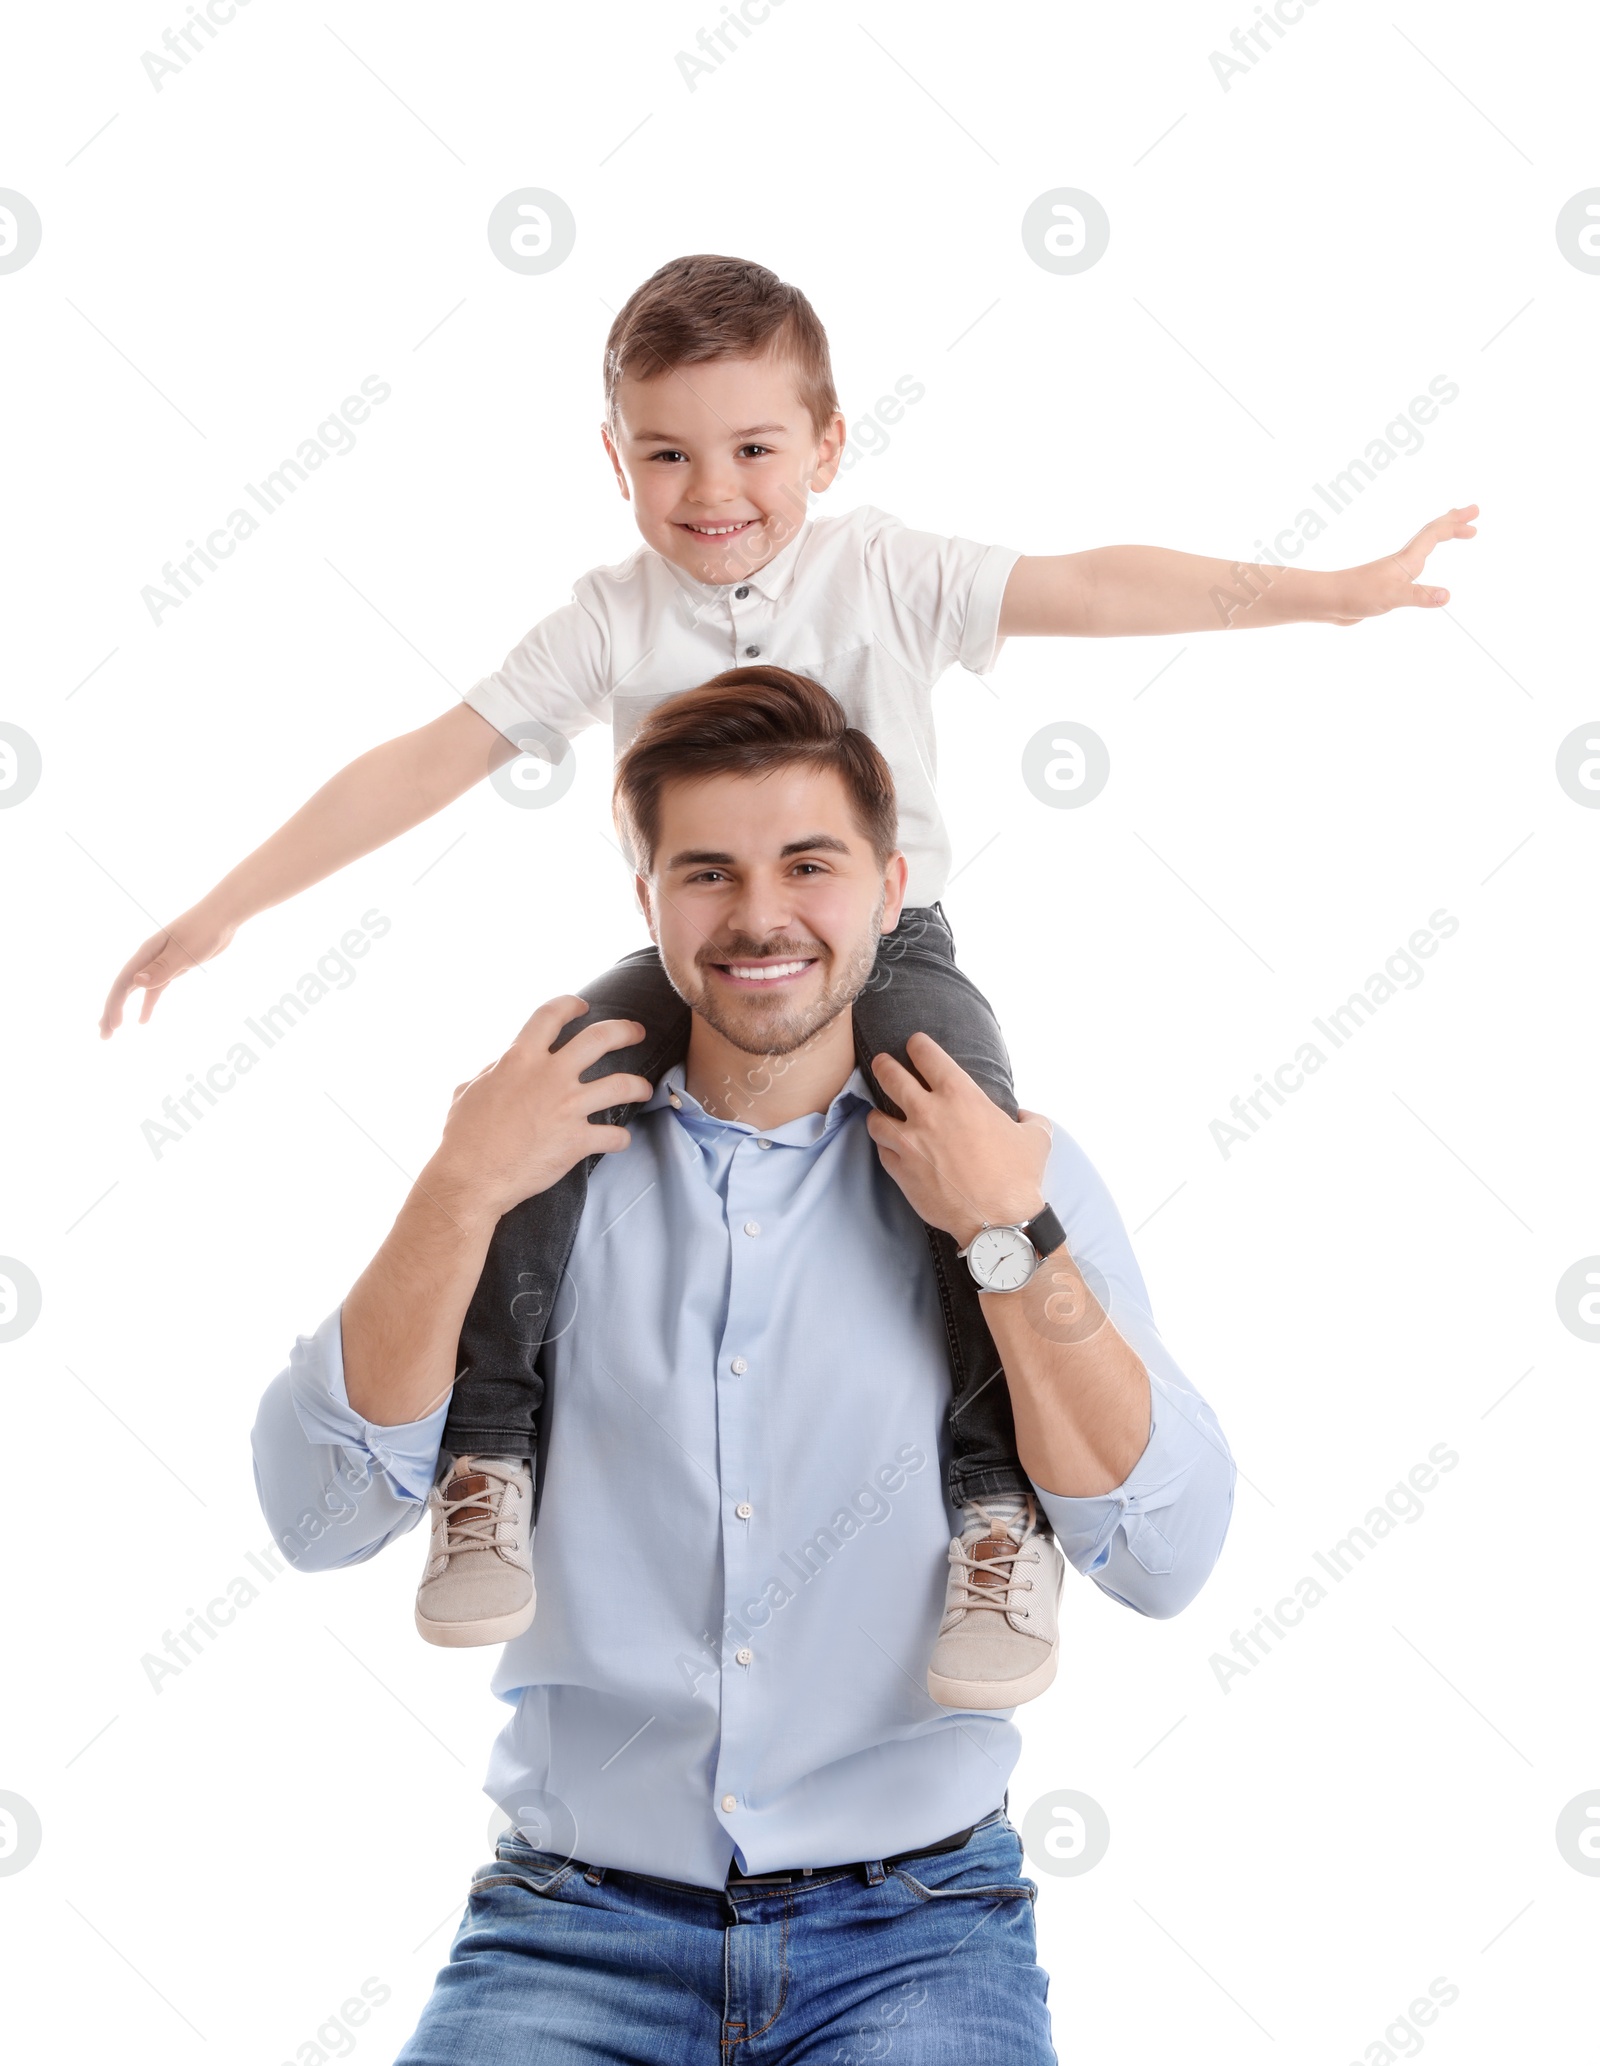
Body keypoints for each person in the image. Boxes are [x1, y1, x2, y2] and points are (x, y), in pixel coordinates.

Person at [124, 253, 1468, 1684]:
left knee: (971, 1159)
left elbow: (1092, 581)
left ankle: (996, 1514)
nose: (715, 489)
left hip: (890, 951)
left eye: (756, 445)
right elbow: (428, 758)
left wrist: (1329, 595)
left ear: (827, 444)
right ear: (615, 459)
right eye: (667, 452)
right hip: (692, 955)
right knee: (542, 1099)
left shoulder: (886, 569)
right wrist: (227, 907)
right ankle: (488, 1464)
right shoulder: (609, 616)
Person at [250, 671, 1236, 2061]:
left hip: (921, 1930)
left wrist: (1009, 1233)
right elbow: (317, 1519)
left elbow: (1166, 1554)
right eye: (707, 871)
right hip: (569, 1924)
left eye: (809, 865)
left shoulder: (1008, 1162)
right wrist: (456, 1188)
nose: (760, 915)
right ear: (646, 895)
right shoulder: (533, 1168)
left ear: (893, 888)